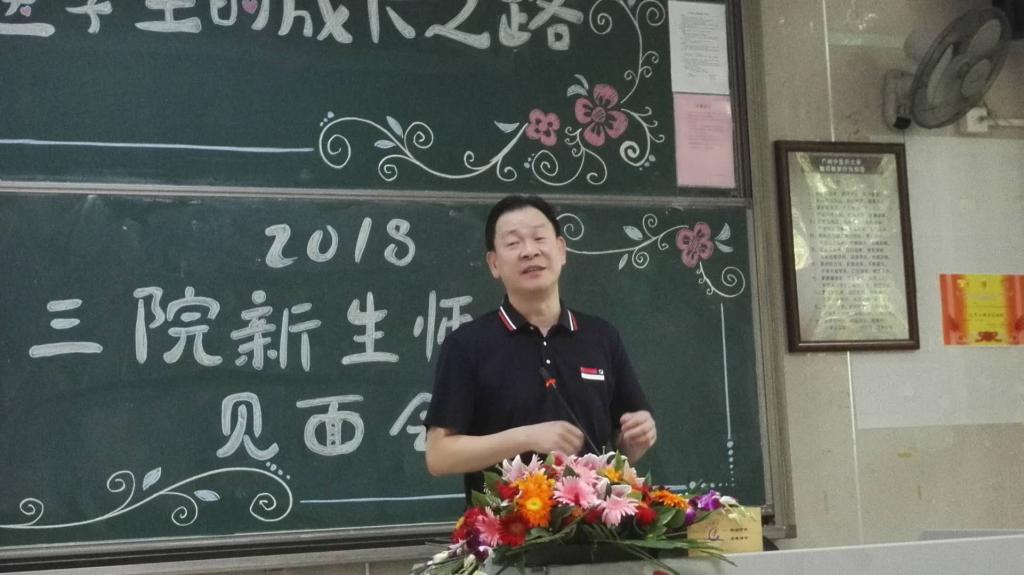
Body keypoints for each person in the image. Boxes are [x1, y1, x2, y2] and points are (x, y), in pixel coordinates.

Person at [424, 195, 656, 499]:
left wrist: (636, 440)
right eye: (513, 243)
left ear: (561, 250)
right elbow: (438, 456)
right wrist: (527, 437)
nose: (529, 251)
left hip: (593, 522)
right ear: (494, 264)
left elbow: (623, 447)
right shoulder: (467, 344)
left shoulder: (602, 337)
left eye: (539, 238)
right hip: (506, 525)